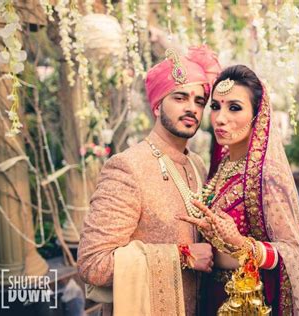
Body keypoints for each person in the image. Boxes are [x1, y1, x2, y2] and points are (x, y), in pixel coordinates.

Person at [77, 46, 221, 316]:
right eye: (180, 97)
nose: (192, 108)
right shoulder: (128, 167)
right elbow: (92, 264)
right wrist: (183, 256)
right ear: (157, 105)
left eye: (199, 101)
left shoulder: (197, 164)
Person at [177, 65, 299, 315]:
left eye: (234, 107)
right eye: (216, 107)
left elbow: (293, 252)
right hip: (211, 296)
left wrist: (241, 244)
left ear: (257, 115)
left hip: (244, 303)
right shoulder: (221, 165)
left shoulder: (268, 175)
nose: (220, 118)